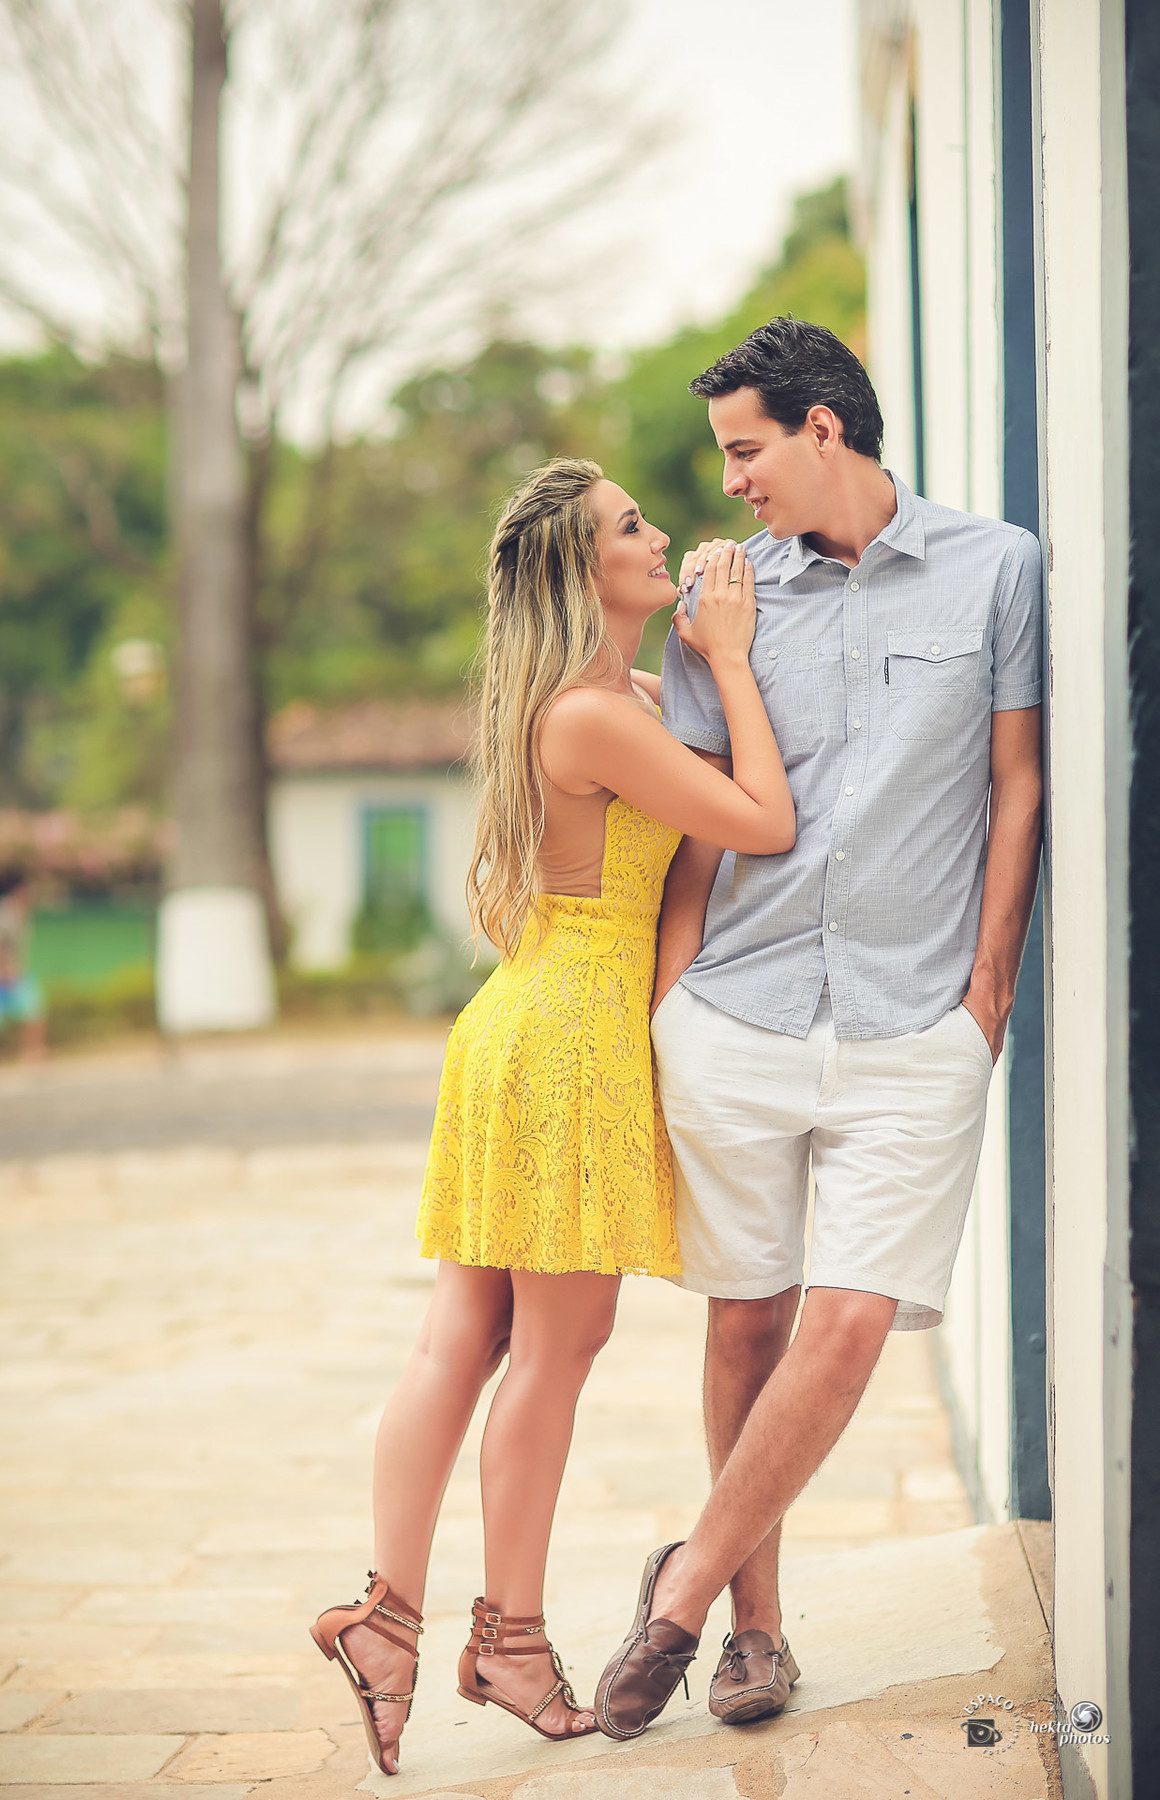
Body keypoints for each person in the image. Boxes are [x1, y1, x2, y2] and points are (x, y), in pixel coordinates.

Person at [309, 458, 795, 1778]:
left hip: (535, 1020)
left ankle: (390, 1622)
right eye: (629, 527)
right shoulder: (593, 712)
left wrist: (705, 671)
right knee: (547, 1348)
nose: (659, 536)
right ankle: (502, 1636)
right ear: (580, 572)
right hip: (567, 1034)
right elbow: (762, 818)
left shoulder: (617, 699)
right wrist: (736, 661)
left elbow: (702, 841)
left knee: (467, 1338)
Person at [593, 318, 1044, 1739]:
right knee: (748, 1323)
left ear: (823, 431)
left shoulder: (998, 569)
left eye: (745, 450)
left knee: (847, 1326)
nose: (729, 485)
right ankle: (752, 1636)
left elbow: (1016, 783)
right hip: (740, 1007)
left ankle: (674, 1600)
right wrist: (675, 994)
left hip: (921, 1019)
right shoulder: (727, 606)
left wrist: (990, 990)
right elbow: (699, 814)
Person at [0, 882, 46, 1067]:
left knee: (33, 1010)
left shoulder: (21, 912)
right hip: (0, 973)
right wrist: (2, 971)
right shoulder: (5, 913)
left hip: (15, 972)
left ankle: (32, 1054)